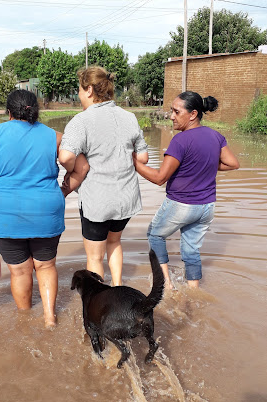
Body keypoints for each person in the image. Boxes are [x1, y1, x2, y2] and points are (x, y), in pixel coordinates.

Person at [0, 89, 65, 328]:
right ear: (35, 110)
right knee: (46, 266)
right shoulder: (55, 136)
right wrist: (63, 191)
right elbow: (81, 167)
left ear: (9, 112)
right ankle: (50, 319)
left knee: (20, 271)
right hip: (46, 211)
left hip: (3, 215)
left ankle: (24, 321)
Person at [133, 91, 240, 290]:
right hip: (206, 207)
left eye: (176, 111)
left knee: (155, 236)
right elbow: (233, 163)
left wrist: (133, 163)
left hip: (182, 204)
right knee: (191, 250)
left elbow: (159, 178)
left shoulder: (180, 141)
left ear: (193, 114)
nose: (171, 116)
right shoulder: (215, 135)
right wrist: (206, 164)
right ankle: (193, 290)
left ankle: (166, 284)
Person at [58, 65, 148, 286]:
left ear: (89, 90)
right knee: (114, 243)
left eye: (79, 90)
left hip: (98, 201)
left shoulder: (81, 121)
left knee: (95, 257)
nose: (79, 95)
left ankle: (99, 302)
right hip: (126, 199)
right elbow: (144, 158)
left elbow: (65, 156)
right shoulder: (129, 117)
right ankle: (117, 288)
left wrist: (74, 170)